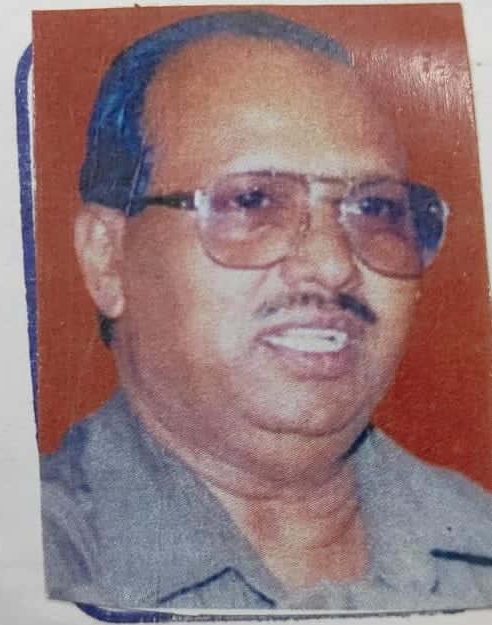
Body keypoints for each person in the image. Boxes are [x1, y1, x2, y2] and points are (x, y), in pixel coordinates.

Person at [40, 10, 492, 612]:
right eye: (252, 201)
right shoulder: (36, 560)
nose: (332, 265)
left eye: (376, 209)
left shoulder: (478, 546)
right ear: (107, 258)